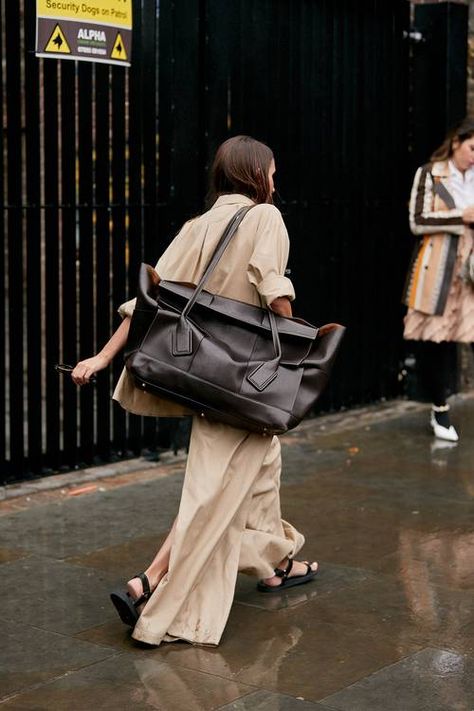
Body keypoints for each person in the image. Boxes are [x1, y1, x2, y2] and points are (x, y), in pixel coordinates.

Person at [71, 135, 318, 647]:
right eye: (272, 170)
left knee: (261, 469)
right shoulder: (264, 217)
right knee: (212, 494)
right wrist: (292, 348)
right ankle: (155, 591)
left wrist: (101, 357)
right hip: (249, 382)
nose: (276, 179)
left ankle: (277, 564)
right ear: (255, 174)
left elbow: (150, 299)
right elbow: (274, 289)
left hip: (208, 379)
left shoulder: (197, 225)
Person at [403, 119, 474, 441]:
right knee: (437, 341)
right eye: (472, 148)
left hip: (471, 269)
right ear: (457, 142)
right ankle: (440, 410)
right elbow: (417, 220)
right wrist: (461, 217)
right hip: (439, 268)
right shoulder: (432, 173)